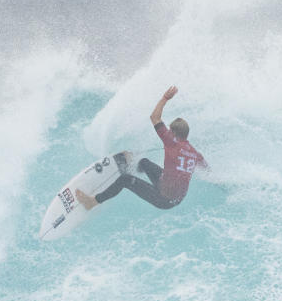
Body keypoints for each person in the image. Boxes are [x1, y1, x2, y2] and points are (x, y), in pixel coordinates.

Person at [76, 85, 207, 211]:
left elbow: (154, 117)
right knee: (144, 162)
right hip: (175, 195)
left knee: (125, 180)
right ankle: (128, 168)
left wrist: (165, 98)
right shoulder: (195, 153)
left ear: (173, 133)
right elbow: (207, 170)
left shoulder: (170, 141)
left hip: (164, 199)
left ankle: (92, 202)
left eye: (170, 130)